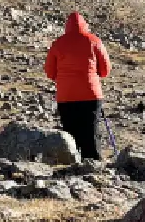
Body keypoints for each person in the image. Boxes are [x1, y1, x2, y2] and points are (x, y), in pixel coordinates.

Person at [43, 11, 111, 159]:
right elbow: (105, 69)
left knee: (71, 133)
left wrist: (63, 79)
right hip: (91, 94)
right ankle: (94, 164)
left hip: (66, 96)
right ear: (85, 25)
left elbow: (49, 71)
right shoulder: (94, 41)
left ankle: (74, 163)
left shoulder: (58, 44)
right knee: (91, 132)